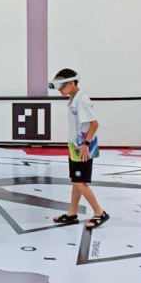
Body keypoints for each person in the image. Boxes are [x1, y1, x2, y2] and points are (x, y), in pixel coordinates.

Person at [49, 69, 109, 228]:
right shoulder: (73, 99)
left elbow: (94, 124)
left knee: (80, 182)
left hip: (83, 149)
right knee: (76, 181)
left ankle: (99, 213)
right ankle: (72, 213)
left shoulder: (82, 100)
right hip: (76, 147)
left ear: (72, 83)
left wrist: (86, 145)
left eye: (62, 86)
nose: (60, 90)